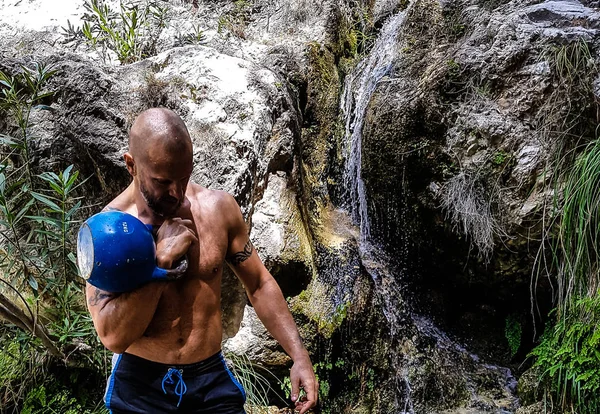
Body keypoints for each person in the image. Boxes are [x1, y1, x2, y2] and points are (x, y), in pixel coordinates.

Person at [85, 108, 318, 413]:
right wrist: (161, 264)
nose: (177, 192)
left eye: (184, 177)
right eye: (162, 181)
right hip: (141, 387)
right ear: (131, 165)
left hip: (209, 380)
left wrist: (299, 355)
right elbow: (112, 336)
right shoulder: (106, 233)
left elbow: (259, 284)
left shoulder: (218, 209)